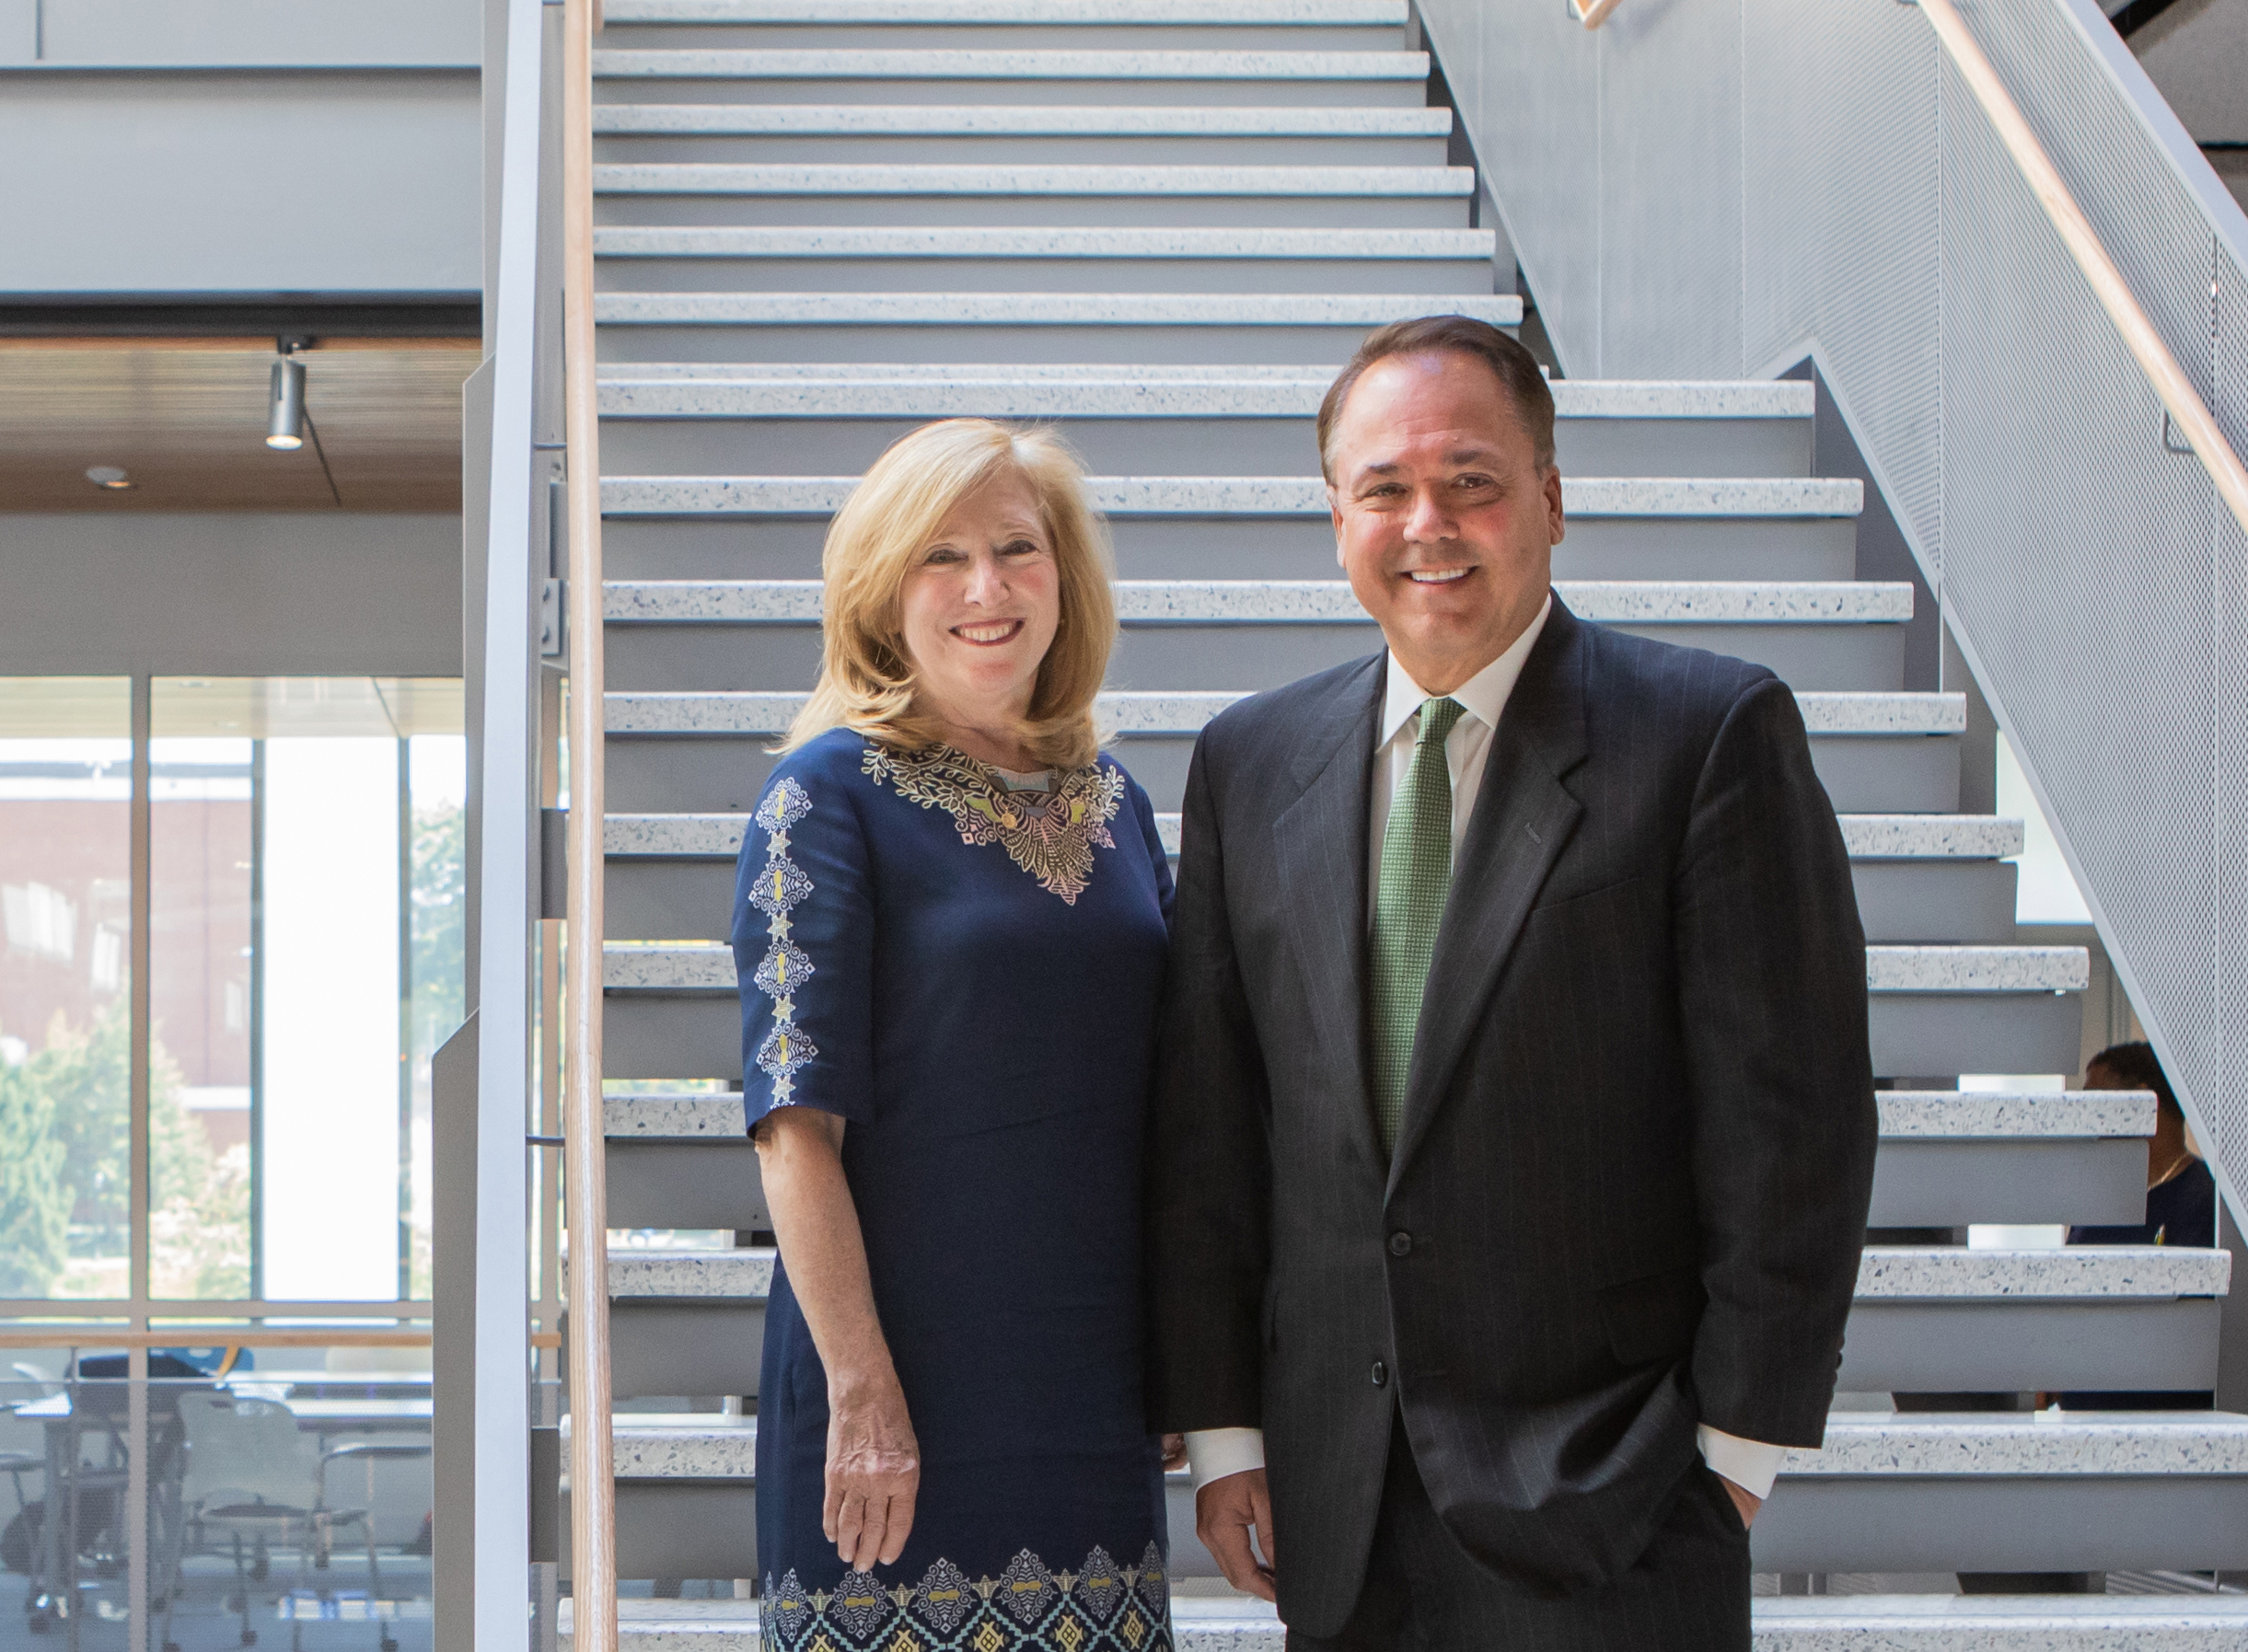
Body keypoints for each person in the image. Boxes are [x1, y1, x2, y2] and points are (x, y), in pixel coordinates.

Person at [1146, 314, 1878, 1647]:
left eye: (1471, 480)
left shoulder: (1708, 734)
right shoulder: (1250, 762)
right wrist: (1229, 1422)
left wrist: (1737, 1447)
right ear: (1336, 519)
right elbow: (1213, 1126)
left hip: (1617, 1497)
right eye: (1385, 488)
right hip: (1337, 1494)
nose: (1429, 521)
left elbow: (1796, 1120)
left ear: (1549, 495)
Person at [734, 418, 1178, 1652]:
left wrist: (1189, 1348)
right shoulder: (824, 796)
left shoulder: (1120, 803)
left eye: (1016, 549)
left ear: (1064, 578)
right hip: (897, 1396)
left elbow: (1173, 1102)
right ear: (881, 593)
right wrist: (865, 1397)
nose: (986, 588)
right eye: (940, 556)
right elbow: (792, 1130)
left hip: (1089, 1391)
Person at [2060, 1039, 2217, 1411]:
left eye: (2097, 1101)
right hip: (2083, 1424)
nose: (2087, 1118)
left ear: (2146, 1103)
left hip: (2161, 1429)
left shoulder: (2204, 1202)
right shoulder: (2100, 1204)